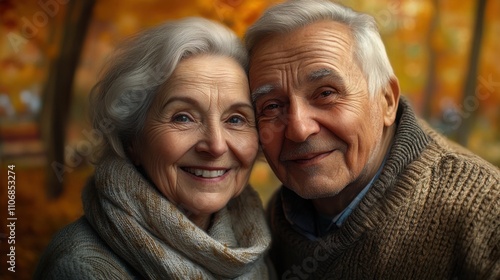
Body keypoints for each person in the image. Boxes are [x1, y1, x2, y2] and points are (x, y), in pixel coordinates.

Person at [245, 0, 500, 279]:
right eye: (271, 106)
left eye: (325, 93)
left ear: (387, 100)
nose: (299, 129)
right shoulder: (272, 219)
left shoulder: (486, 213)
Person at [35, 17, 274, 279]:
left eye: (236, 119)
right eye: (183, 117)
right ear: (133, 140)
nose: (216, 146)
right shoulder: (81, 267)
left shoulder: (258, 238)